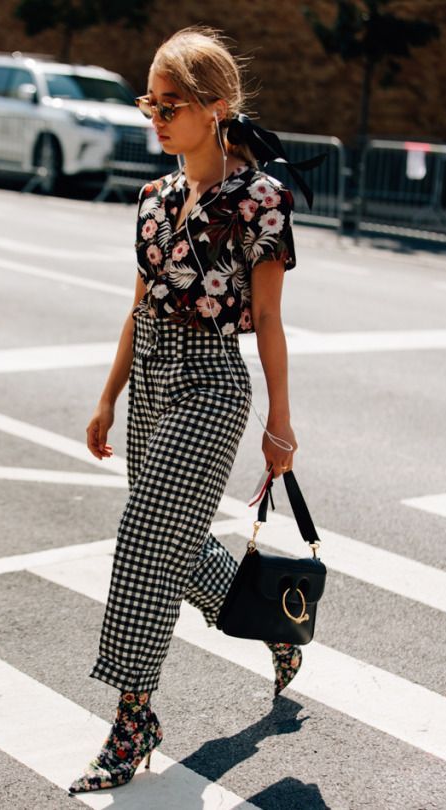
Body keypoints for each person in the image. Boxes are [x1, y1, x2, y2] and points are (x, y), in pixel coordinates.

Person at [69, 25, 303, 795]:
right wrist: (108, 397)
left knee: (143, 537)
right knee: (174, 539)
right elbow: (139, 309)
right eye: (151, 103)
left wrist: (281, 423)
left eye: (173, 104)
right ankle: (276, 624)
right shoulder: (152, 200)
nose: (158, 117)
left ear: (217, 107)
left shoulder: (260, 198)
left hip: (212, 385)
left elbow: (267, 319)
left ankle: (134, 716)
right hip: (152, 384)